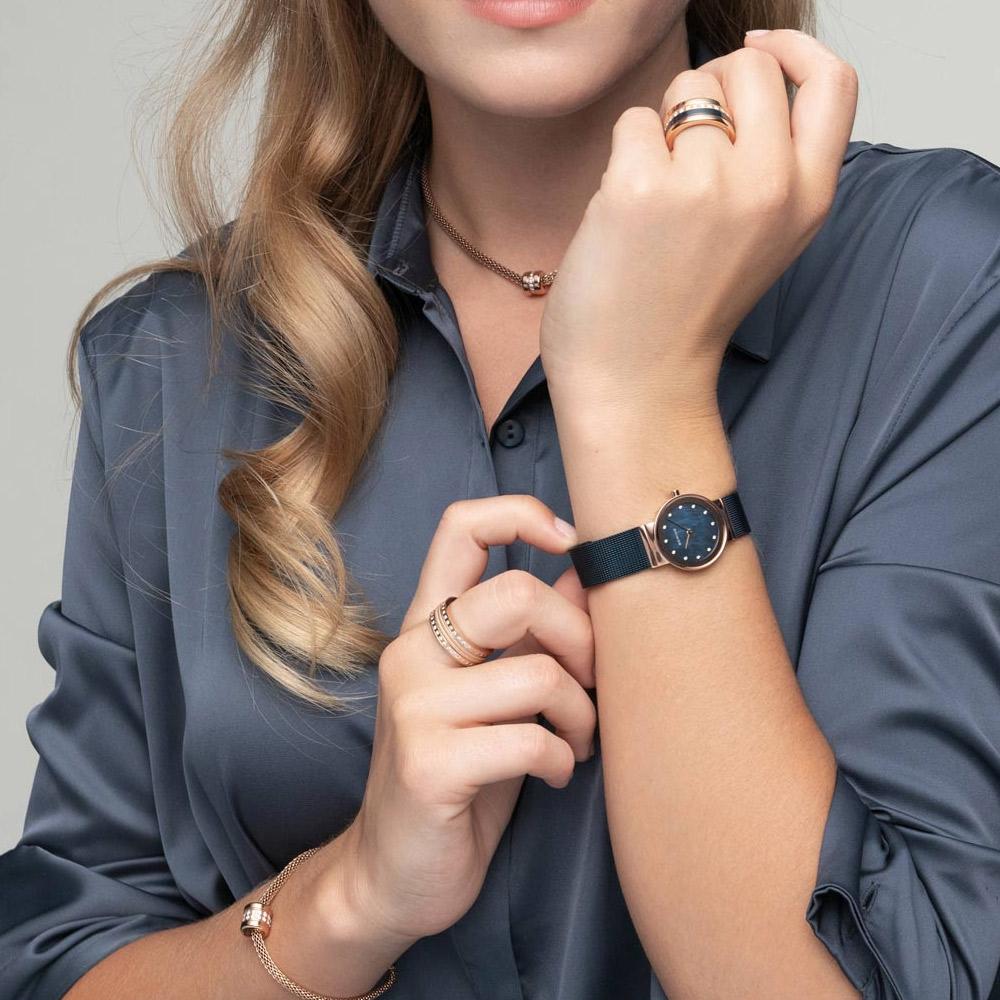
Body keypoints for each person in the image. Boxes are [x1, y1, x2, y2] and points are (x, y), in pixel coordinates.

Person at [3, 0, 1000, 997]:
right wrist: (352, 897)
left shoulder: (943, 285)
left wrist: (639, 393)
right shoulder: (173, 358)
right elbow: (62, 957)